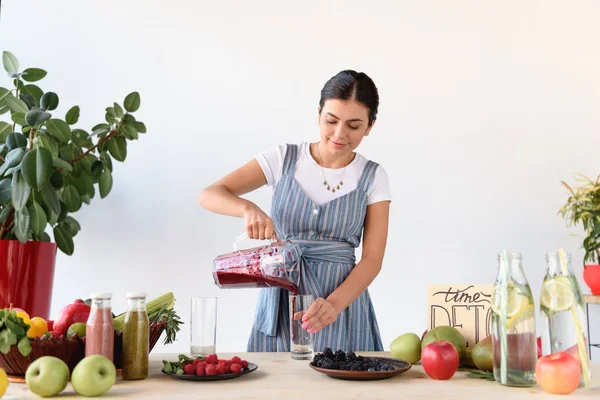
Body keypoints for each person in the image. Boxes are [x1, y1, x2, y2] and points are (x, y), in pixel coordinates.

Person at [198, 70, 391, 352]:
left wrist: (333, 305)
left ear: (370, 126)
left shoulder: (373, 176)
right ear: (318, 113)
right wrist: (248, 209)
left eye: (354, 125)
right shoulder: (283, 158)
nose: (339, 134)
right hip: (281, 301)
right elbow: (209, 194)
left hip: (341, 305)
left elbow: (372, 259)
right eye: (331, 120)